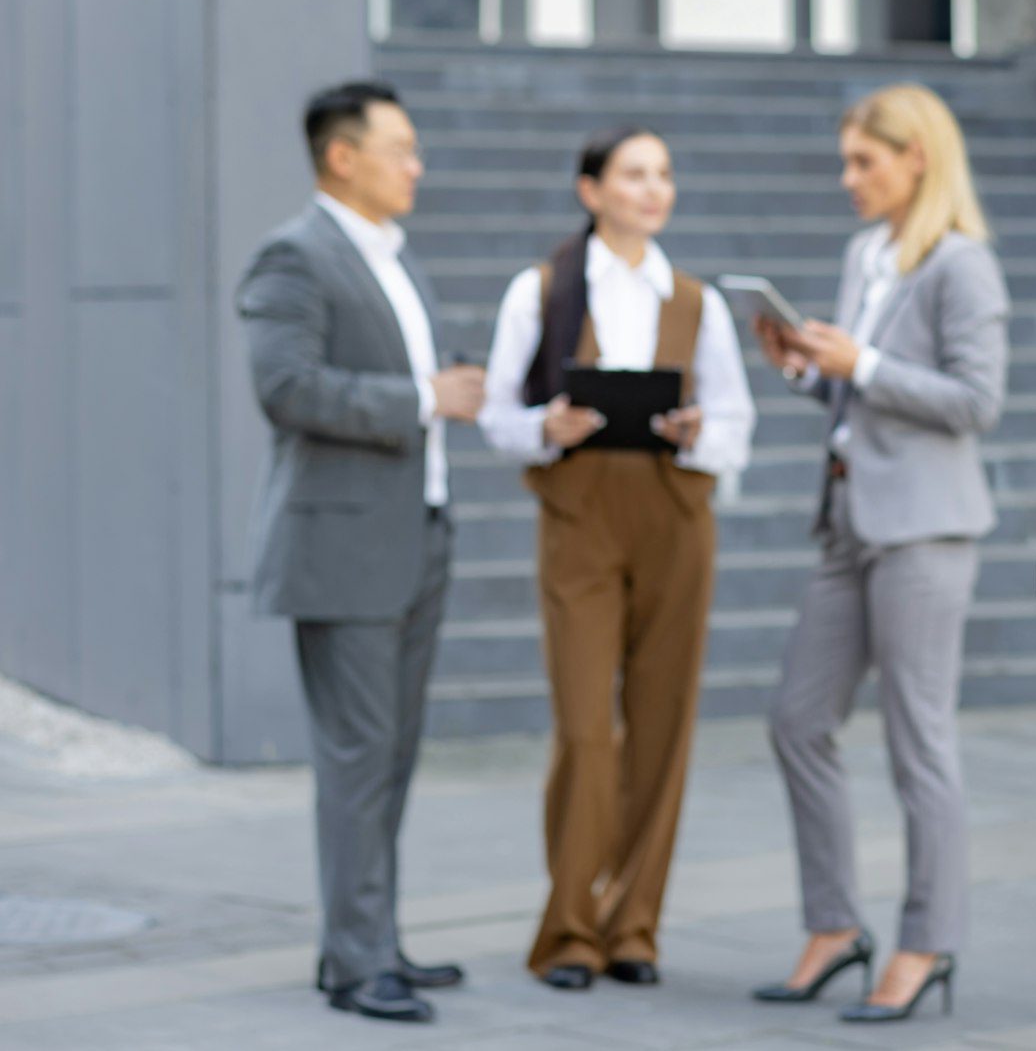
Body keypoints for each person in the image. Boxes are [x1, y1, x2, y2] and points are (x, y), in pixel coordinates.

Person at [753, 83, 1009, 1024]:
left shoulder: (961, 265)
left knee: (918, 743)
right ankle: (833, 925)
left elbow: (976, 403)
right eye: (848, 159)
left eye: (864, 161)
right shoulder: (867, 254)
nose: (848, 178)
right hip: (848, 518)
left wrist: (855, 365)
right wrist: (805, 369)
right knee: (796, 719)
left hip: (925, 530)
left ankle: (927, 940)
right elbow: (861, 396)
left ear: (918, 160)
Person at [478, 127, 755, 990]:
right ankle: (568, 929)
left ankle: (634, 925)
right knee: (587, 731)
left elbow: (736, 420)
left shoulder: (694, 299)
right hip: (581, 513)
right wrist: (543, 428)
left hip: (676, 512)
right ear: (590, 189)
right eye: (634, 174)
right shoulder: (542, 289)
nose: (652, 189)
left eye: (664, 174)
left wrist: (700, 432)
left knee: (664, 729)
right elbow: (495, 412)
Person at [238, 80, 486, 1024]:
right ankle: (355, 962)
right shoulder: (294, 256)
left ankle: (370, 938)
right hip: (343, 550)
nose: (417, 166)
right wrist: (423, 400)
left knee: (392, 756)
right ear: (343, 157)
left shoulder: (393, 258)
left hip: (416, 534)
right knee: (357, 758)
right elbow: (288, 388)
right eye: (402, 149)